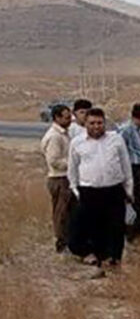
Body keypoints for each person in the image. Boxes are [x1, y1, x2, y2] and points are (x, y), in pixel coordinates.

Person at [68, 108, 132, 273]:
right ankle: (98, 258)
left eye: (99, 123)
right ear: (85, 124)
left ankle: (114, 259)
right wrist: (76, 190)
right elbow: (73, 169)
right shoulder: (77, 142)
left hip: (114, 190)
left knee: (116, 226)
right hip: (90, 191)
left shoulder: (116, 140)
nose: (96, 126)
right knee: (93, 226)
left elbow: (126, 166)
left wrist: (128, 190)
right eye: (92, 123)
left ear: (104, 123)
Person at [40, 104, 74, 253]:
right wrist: (73, 164)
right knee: (61, 213)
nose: (70, 120)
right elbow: (53, 160)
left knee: (67, 212)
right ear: (57, 118)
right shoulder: (55, 136)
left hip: (64, 177)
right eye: (66, 117)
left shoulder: (63, 134)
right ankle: (61, 243)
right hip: (59, 178)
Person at [118, 102, 140, 241]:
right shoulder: (126, 129)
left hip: (139, 168)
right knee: (134, 200)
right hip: (132, 168)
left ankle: (139, 231)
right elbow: (120, 149)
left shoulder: (137, 130)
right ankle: (131, 233)